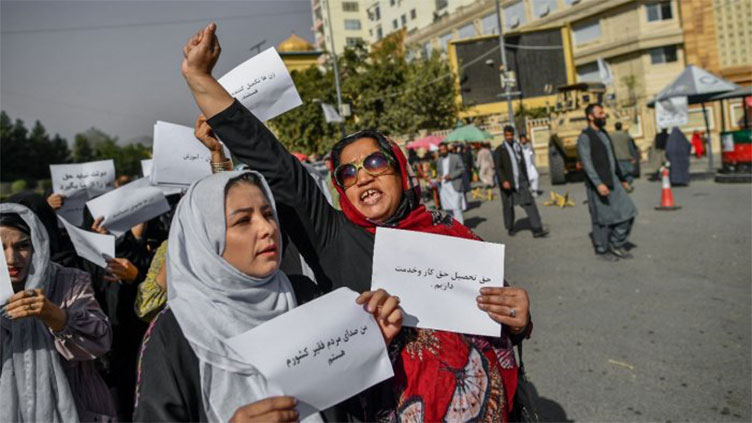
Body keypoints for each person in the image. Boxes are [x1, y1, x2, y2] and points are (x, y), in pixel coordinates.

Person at [182, 23, 532, 422]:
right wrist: (200, 78)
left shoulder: (450, 232)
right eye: (347, 173)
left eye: (375, 162)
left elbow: (500, 314)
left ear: (401, 170)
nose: (362, 176)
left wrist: (520, 317)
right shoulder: (334, 236)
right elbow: (273, 162)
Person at [133, 171, 402, 422]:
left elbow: (345, 399)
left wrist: (370, 341)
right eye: (243, 220)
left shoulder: (304, 294)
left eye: (268, 214)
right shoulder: (175, 332)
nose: (266, 228)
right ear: (206, 238)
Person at [1, 203, 116, 422]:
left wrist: (55, 316)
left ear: (38, 244)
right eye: (1, 248)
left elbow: (100, 341)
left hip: (76, 403)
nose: (11, 259)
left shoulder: (70, 280)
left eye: (22, 246)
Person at [577, 104, 638, 262]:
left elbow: (612, 159)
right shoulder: (585, 137)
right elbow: (587, 163)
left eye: (604, 112)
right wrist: (598, 184)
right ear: (591, 117)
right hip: (598, 184)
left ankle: (616, 243)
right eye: (600, 113)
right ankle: (602, 250)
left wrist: (622, 179)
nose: (604, 115)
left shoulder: (604, 133)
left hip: (614, 181)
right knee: (602, 219)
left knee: (629, 212)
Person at [493, 126, 549, 238]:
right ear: (504, 135)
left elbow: (523, 164)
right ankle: (510, 227)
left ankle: (537, 229)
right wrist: (504, 181)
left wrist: (527, 179)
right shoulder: (500, 150)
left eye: (511, 135)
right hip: (508, 183)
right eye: (507, 135)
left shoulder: (518, 147)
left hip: (521, 181)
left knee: (530, 203)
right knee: (508, 206)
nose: (509, 137)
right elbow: (498, 168)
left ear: (513, 135)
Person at [435, 142, 467, 224]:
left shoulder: (455, 157)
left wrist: (451, 176)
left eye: (444, 149)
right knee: (447, 208)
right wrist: (438, 177)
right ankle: (453, 226)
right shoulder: (439, 160)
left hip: (454, 185)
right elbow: (439, 172)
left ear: (447, 149)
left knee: (456, 207)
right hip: (444, 188)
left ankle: (461, 227)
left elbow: (462, 169)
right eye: (441, 150)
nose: (443, 151)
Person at [610, 122, 638, 189]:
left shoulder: (611, 136)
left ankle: (622, 186)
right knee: (629, 173)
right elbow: (632, 146)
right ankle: (627, 185)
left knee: (620, 174)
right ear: (621, 126)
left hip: (616, 158)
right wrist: (634, 156)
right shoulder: (626, 135)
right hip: (626, 157)